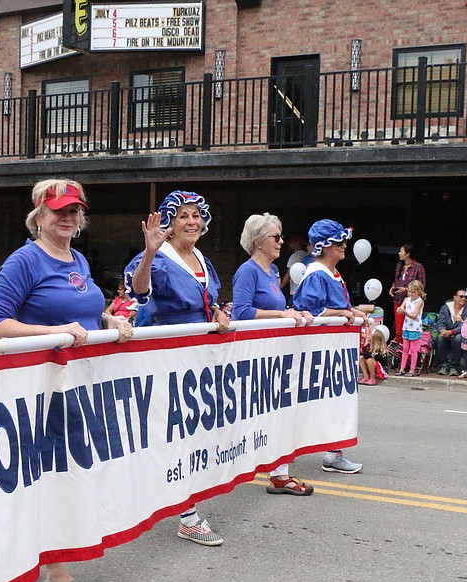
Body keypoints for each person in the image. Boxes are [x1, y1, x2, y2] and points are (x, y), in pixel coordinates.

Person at [0, 178, 133, 582]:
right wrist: (55, 332)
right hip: (38, 389)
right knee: (52, 478)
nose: (67, 217)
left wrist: (109, 321)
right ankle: (57, 572)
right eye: (59, 211)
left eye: (74, 211)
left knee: (73, 473)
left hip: (78, 386)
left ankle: (53, 556)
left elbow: (81, 313)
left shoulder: (79, 260)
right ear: (39, 215)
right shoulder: (24, 261)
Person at [127, 190, 231, 544]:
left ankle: (162, 496)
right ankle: (187, 516)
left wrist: (217, 312)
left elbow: (209, 300)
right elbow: (140, 292)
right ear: (169, 224)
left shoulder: (201, 257)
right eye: (183, 216)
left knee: (187, 430)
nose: (191, 222)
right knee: (172, 432)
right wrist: (150, 251)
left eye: (196, 215)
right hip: (166, 355)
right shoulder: (160, 256)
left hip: (198, 357)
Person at [231, 213, 314, 496]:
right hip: (254, 355)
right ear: (257, 242)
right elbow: (241, 312)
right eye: (275, 237)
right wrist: (280, 313)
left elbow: (278, 307)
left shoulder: (274, 272)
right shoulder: (248, 271)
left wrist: (294, 313)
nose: (281, 242)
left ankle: (280, 473)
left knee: (279, 412)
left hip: (274, 354)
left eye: (280, 236)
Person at [291, 219, 368, 474]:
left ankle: (334, 452)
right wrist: (340, 312)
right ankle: (284, 451)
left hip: (335, 351)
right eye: (339, 242)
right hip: (320, 350)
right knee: (309, 403)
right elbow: (310, 311)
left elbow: (336, 307)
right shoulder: (316, 274)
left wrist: (351, 311)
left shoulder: (333, 273)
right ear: (324, 246)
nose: (345, 246)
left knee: (337, 402)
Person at [389, 244, 426, 337]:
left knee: (410, 328)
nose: (399, 253)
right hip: (399, 300)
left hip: (412, 302)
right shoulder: (399, 265)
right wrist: (393, 287)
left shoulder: (418, 267)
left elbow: (422, 285)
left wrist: (406, 290)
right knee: (399, 329)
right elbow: (396, 280)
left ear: (407, 254)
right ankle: (400, 350)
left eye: (401, 252)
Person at [434, 288, 467, 375]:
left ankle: (454, 366)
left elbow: (465, 326)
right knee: (440, 337)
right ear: (455, 297)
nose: (464, 299)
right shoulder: (445, 308)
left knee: (458, 338)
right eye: (461, 296)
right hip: (446, 333)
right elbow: (440, 322)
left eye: (465, 297)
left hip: (459, 334)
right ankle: (443, 365)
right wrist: (442, 330)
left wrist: (451, 332)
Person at [396, 280, 426, 376]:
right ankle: (402, 368)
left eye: (413, 292)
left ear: (419, 292)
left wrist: (404, 312)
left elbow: (414, 315)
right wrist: (399, 310)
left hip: (415, 328)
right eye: (410, 292)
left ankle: (412, 369)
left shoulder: (420, 301)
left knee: (413, 350)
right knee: (405, 348)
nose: (411, 294)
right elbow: (400, 308)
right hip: (406, 327)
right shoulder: (406, 300)